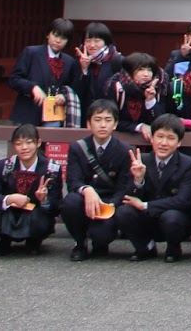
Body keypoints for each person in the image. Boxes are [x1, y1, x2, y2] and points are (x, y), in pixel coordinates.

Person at [115, 113, 191, 263]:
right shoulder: (141, 160)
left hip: (173, 218)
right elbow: (127, 197)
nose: (164, 143)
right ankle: (145, 247)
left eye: (170, 138)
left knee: (172, 217)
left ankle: (173, 248)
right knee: (123, 212)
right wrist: (138, 180)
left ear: (179, 142)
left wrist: (145, 205)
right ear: (152, 138)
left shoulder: (188, 163)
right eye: (160, 137)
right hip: (147, 219)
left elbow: (183, 200)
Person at [62, 100, 133, 262]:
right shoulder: (77, 148)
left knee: (102, 235)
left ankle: (100, 242)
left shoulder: (125, 150)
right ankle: (80, 243)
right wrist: (87, 190)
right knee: (70, 202)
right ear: (88, 124)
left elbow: (123, 187)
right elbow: (73, 181)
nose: (102, 125)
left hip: (108, 202)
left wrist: (111, 205)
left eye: (108, 120)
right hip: (84, 199)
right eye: (97, 120)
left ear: (115, 124)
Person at [0, 123, 61, 255]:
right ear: (14, 145)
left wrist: (44, 200)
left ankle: (34, 241)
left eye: (29, 143)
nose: (24, 148)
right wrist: (9, 199)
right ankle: (4, 240)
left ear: (38, 143)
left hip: (35, 213)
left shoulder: (51, 169)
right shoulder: (4, 166)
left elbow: (57, 205)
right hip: (9, 212)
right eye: (19, 144)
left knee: (41, 217)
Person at [8, 18, 81, 126]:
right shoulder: (31, 53)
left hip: (54, 114)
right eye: (55, 35)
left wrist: (63, 95)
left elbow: (72, 86)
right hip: (28, 112)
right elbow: (14, 79)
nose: (58, 40)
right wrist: (33, 87)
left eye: (63, 38)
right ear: (48, 35)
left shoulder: (70, 62)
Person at [113, 52, 166, 138]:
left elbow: (161, 121)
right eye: (141, 69)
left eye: (149, 70)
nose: (146, 74)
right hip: (121, 138)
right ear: (130, 71)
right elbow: (111, 120)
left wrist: (150, 101)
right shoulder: (117, 88)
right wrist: (139, 127)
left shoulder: (159, 88)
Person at [73, 22, 123, 105]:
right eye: (88, 40)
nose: (92, 45)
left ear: (106, 41)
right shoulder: (79, 61)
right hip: (87, 111)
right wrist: (84, 70)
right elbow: (76, 93)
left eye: (97, 41)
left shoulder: (117, 60)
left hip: (109, 110)